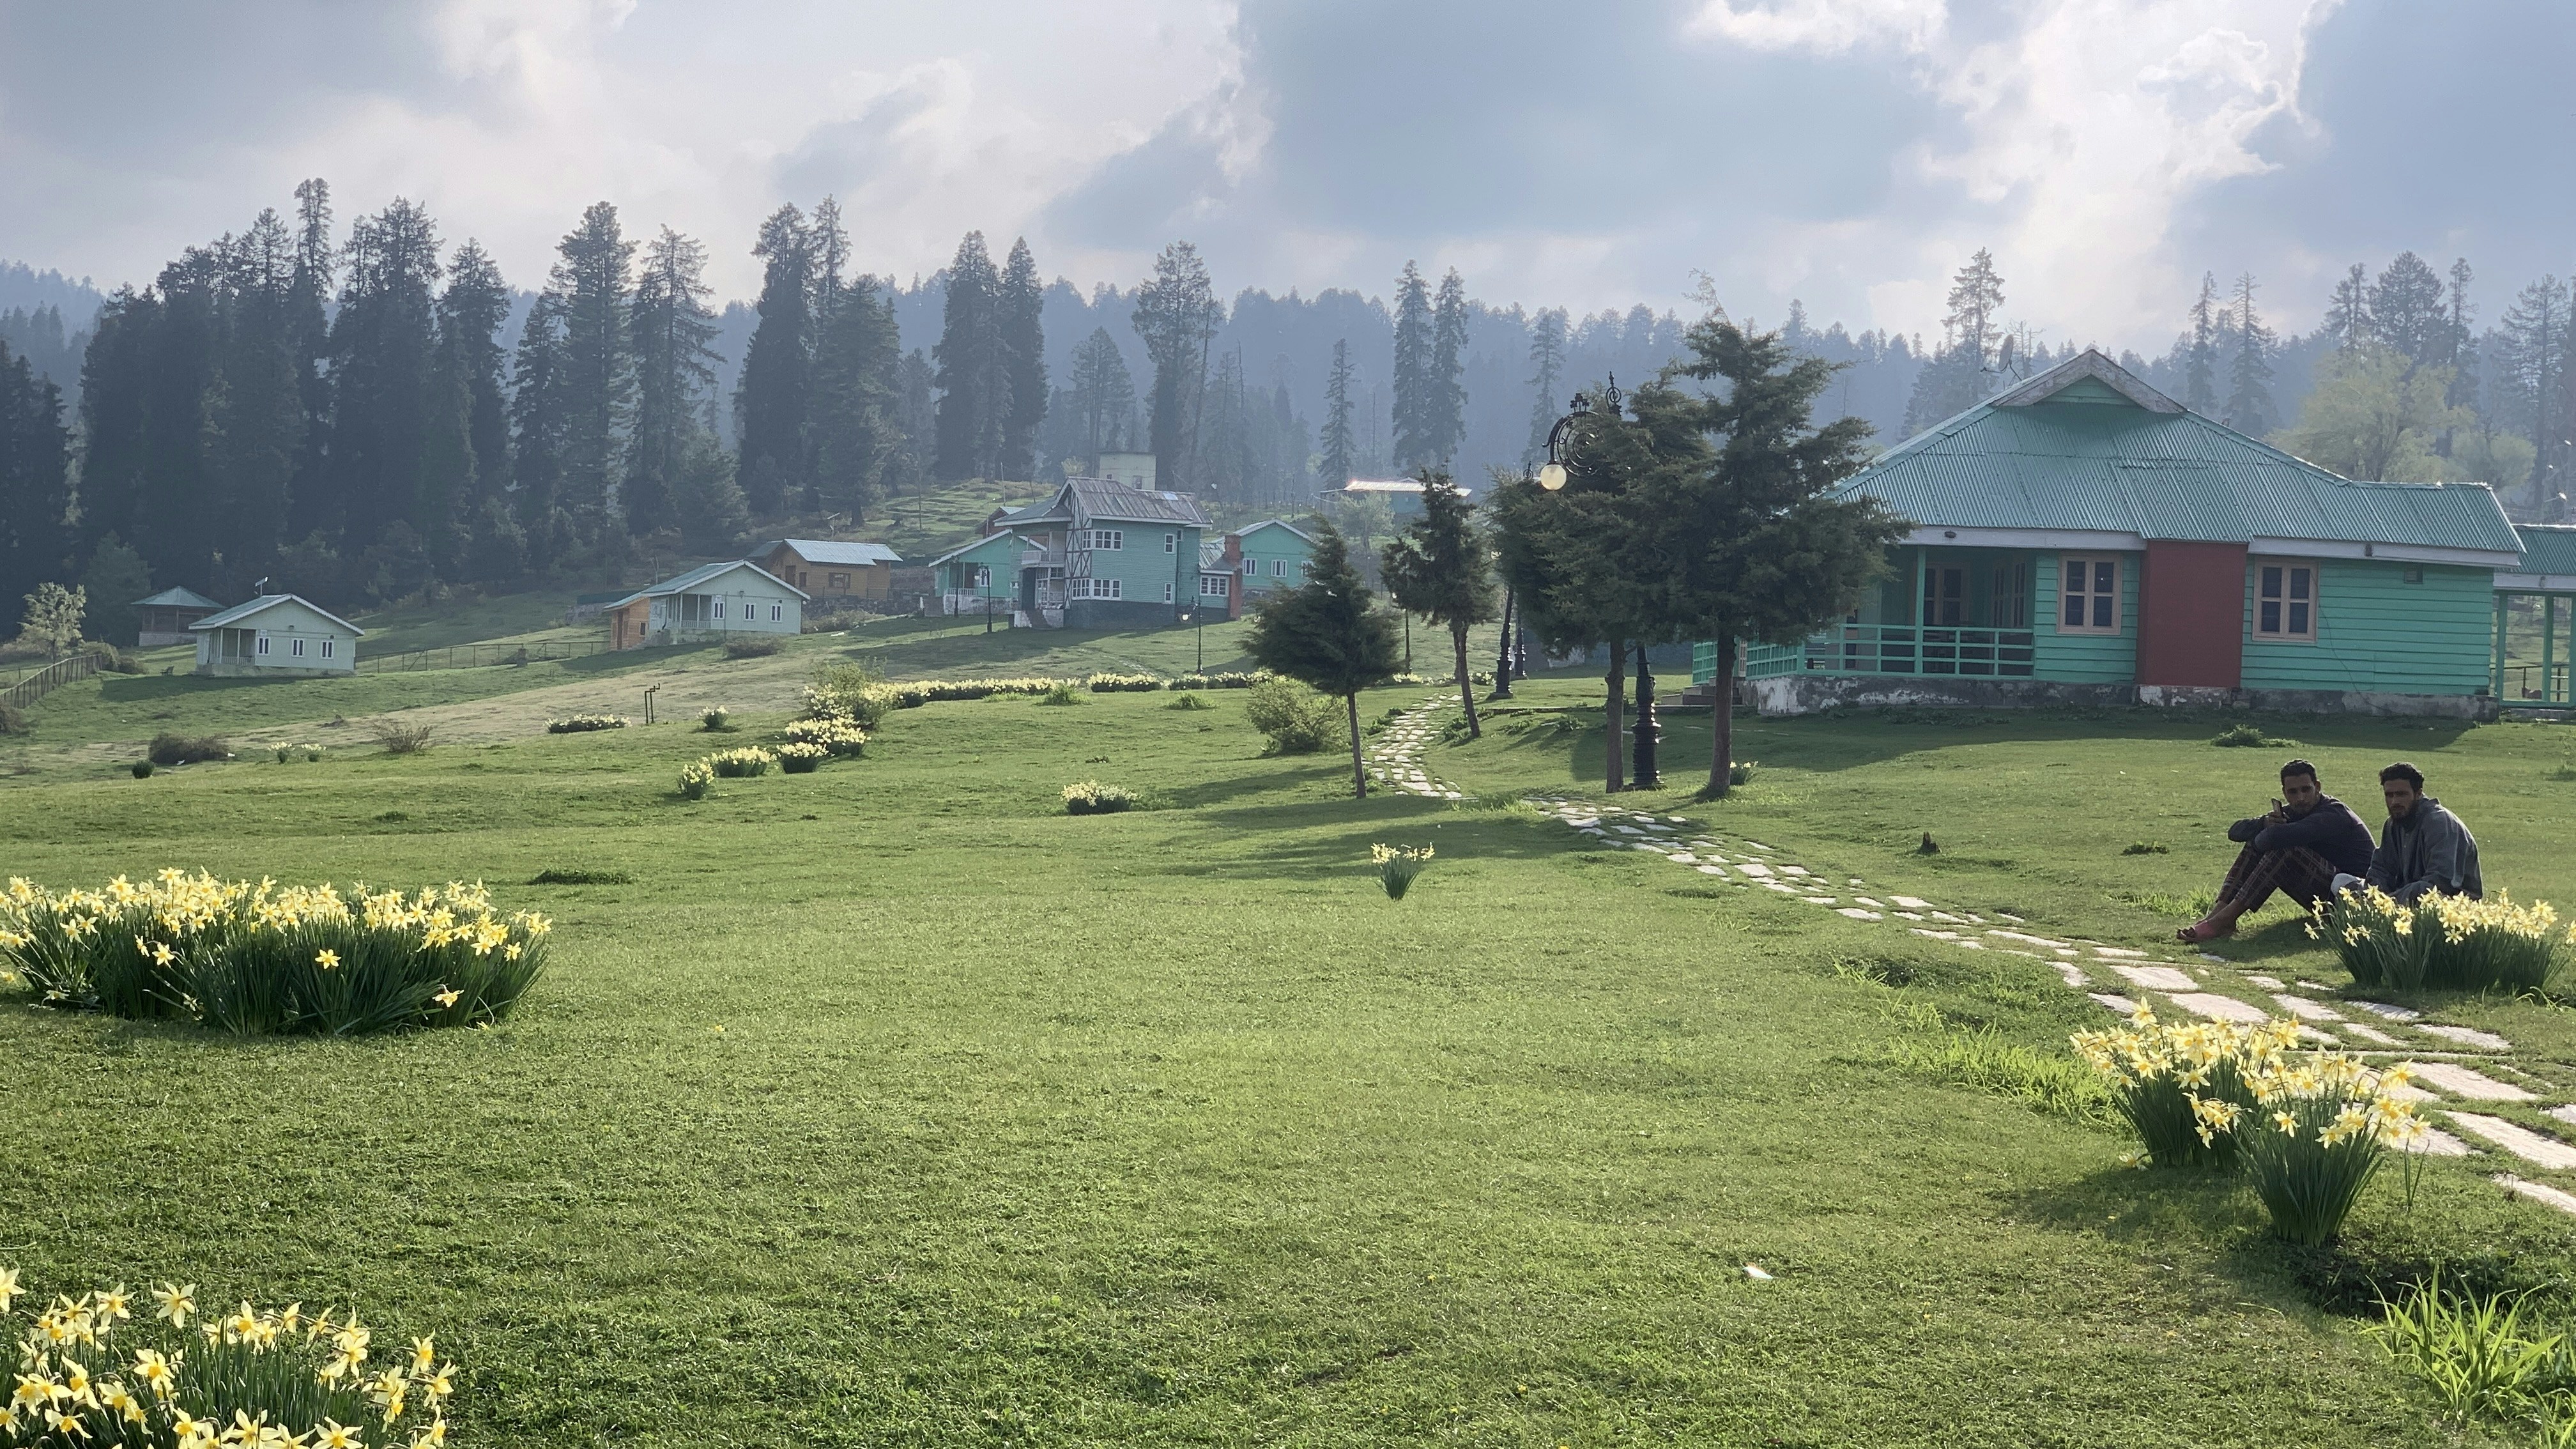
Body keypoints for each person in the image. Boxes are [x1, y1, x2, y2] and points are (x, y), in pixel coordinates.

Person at [2179, 758, 2373, 942]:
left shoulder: (2333, 813)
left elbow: (2274, 838)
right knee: (2263, 841)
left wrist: (2261, 838)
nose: (2301, 798)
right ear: (2284, 792)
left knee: (2283, 849)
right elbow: (2235, 831)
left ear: (2318, 787)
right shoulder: (2293, 812)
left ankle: (2224, 920)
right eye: (2293, 792)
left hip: (2353, 899)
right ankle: (2217, 915)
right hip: (2324, 894)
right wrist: (2264, 823)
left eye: (2306, 789)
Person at [2361, 761, 2481, 903]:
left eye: (2401, 795)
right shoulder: (2393, 824)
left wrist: (2389, 902)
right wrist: (2373, 896)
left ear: (2418, 793)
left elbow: (2438, 884)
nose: (2394, 802)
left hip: (2451, 908)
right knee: (2342, 881)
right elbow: (2381, 870)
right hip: (2405, 902)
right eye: (2389, 795)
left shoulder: (2439, 823)